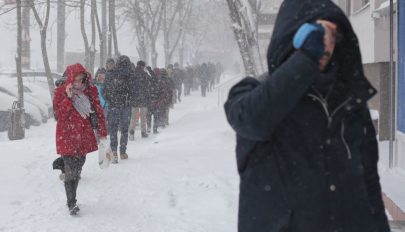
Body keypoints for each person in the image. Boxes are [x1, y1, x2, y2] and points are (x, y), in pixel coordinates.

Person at [224, 1, 390, 232]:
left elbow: (369, 183)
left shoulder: (351, 105)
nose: (327, 44)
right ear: (293, 37)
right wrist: (305, 60)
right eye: (317, 34)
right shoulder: (253, 92)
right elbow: (251, 122)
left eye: (334, 35)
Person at [54, 63, 107, 215]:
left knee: (77, 169)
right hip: (67, 135)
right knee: (71, 171)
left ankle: (71, 196)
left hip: (83, 136)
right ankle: (72, 202)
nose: (79, 83)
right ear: (70, 79)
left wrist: (103, 132)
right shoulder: (61, 92)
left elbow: (98, 111)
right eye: (76, 80)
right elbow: (60, 115)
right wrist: (68, 98)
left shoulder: (89, 92)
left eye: (82, 80)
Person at [103, 55, 132, 163]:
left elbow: (104, 90)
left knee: (114, 129)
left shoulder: (111, 75)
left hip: (115, 106)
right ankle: (120, 152)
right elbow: (133, 90)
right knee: (122, 129)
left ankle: (116, 151)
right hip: (124, 106)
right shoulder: (129, 74)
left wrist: (110, 99)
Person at [129, 60, 150, 139]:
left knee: (134, 118)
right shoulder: (144, 75)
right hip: (143, 99)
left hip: (135, 100)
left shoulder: (132, 74)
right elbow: (149, 86)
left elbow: (130, 87)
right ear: (143, 66)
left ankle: (131, 132)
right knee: (143, 118)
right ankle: (143, 132)